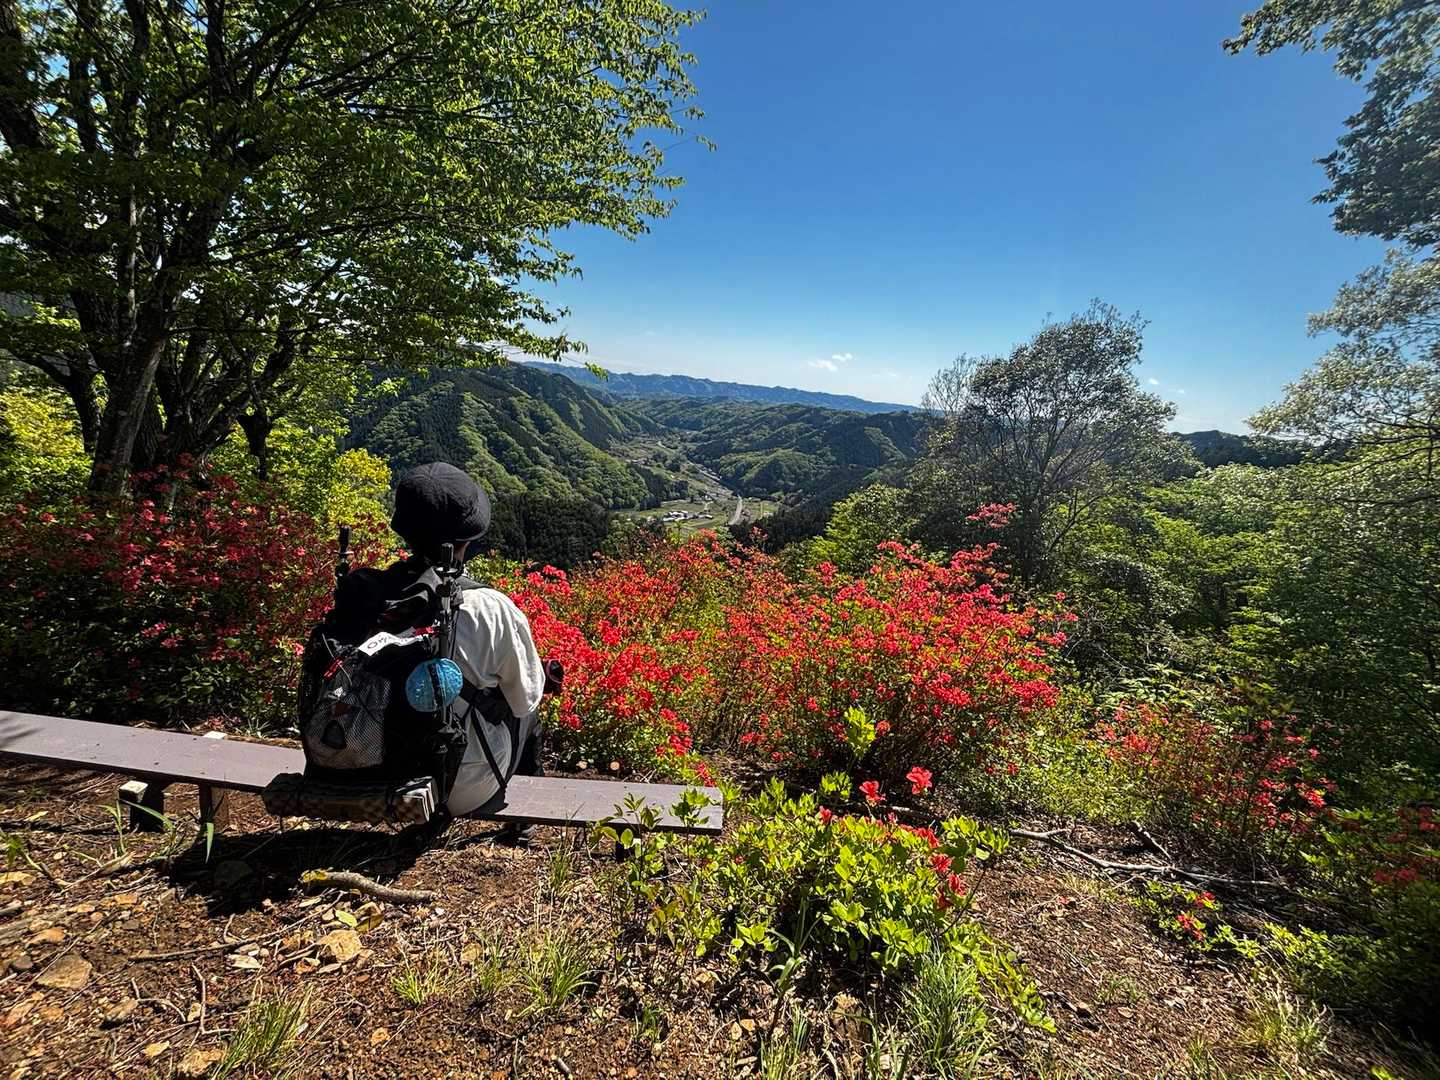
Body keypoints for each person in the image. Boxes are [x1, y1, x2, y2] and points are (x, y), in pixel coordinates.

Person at [388, 462, 546, 839]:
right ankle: (522, 824)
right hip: (461, 787)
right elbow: (524, 700)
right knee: (530, 711)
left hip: (373, 769)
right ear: (467, 539)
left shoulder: (372, 597)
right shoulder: (490, 608)